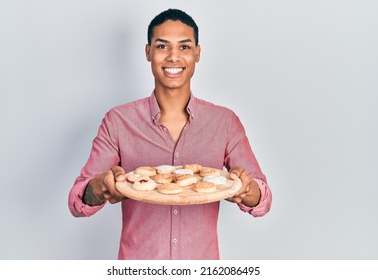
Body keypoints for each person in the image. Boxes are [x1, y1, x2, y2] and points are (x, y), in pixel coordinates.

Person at [68, 8, 272, 260]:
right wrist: (100, 187)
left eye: (184, 47)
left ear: (197, 53)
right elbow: (78, 201)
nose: (174, 56)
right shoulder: (119, 121)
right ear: (148, 52)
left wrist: (246, 188)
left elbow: (262, 199)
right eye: (163, 46)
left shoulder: (224, 122)